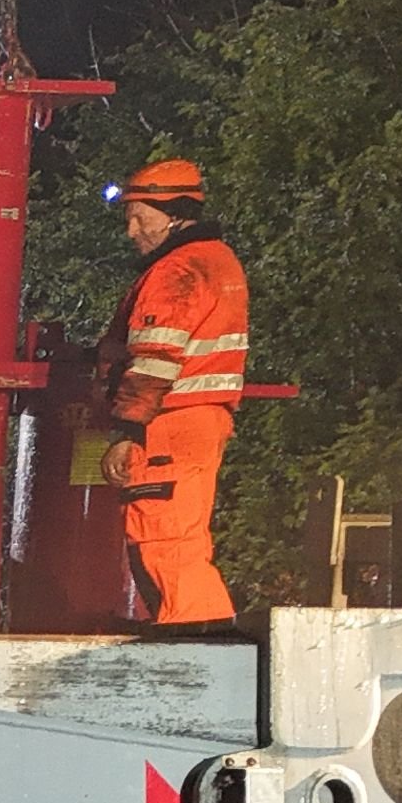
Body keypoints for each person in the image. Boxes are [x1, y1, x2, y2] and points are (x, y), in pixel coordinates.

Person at [99, 159, 248, 627]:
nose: (132, 230)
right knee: (181, 540)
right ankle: (200, 643)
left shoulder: (177, 271)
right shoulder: (217, 262)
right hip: (197, 422)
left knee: (165, 543)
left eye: (140, 217)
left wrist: (126, 429)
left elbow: (153, 361)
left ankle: (197, 648)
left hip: (168, 423)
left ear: (174, 214)